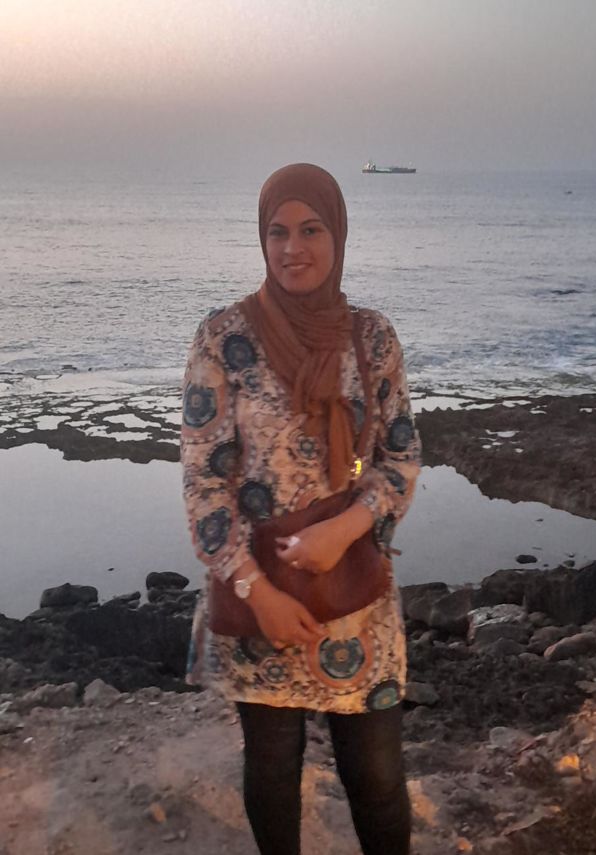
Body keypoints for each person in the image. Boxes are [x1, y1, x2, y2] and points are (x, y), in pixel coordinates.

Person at [181, 163, 421, 855]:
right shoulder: (223, 338)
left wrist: (344, 529)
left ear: (337, 235)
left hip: (356, 598)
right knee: (272, 767)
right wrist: (257, 594)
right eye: (277, 232)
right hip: (259, 593)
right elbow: (203, 483)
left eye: (311, 229)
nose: (293, 248)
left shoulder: (372, 338)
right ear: (262, 240)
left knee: (377, 776)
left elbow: (401, 457)